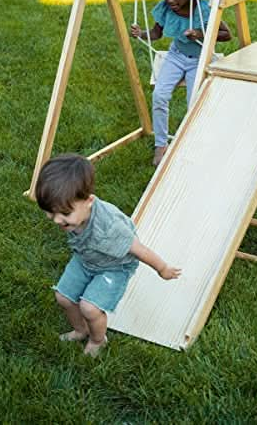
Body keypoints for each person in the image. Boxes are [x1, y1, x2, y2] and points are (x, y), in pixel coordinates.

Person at [35, 153, 181, 358]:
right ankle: (81, 330)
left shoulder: (110, 227)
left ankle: (98, 339)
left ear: (88, 201)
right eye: (50, 213)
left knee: (90, 308)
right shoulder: (73, 214)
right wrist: (67, 219)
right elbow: (65, 218)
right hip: (86, 259)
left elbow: (139, 249)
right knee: (63, 297)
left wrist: (163, 268)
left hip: (115, 266)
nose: (57, 220)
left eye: (64, 215)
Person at [130, 0, 232, 166]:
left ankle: (193, 142)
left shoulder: (204, 9)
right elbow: (156, 34)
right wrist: (141, 33)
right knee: (159, 95)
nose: (170, 0)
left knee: (193, 101)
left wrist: (199, 33)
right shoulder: (166, 10)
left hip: (199, 59)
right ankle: (161, 145)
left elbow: (226, 35)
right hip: (176, 56)